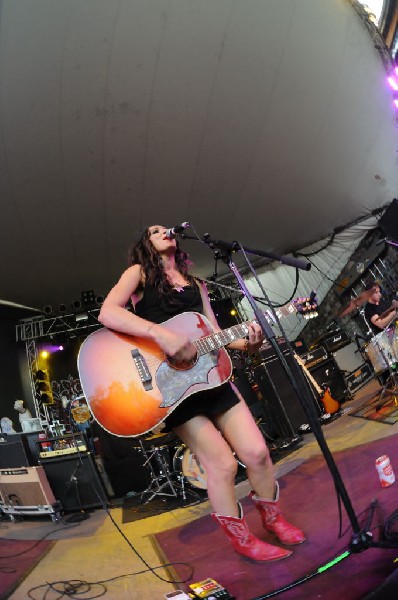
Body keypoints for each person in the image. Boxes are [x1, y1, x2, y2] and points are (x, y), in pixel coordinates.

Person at [98, 224, 305, 562]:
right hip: (173, 388)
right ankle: (242, 540)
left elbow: (217, 333)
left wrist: (252, 343)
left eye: (166, 228)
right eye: (154, 230)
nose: (164, 230)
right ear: (145, 243)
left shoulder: (196, 284)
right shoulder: (138, 274)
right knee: (221, 465)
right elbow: (107, 312)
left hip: (213, 377)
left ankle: (274, 520)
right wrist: (159, 335)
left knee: (257, 454)